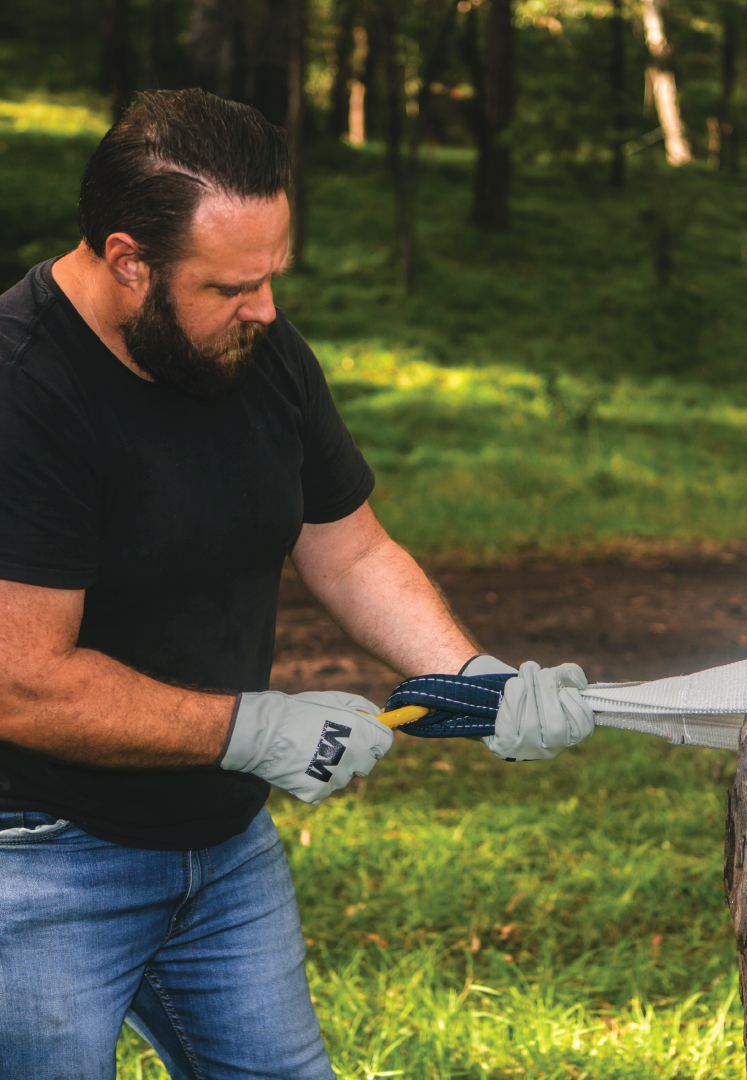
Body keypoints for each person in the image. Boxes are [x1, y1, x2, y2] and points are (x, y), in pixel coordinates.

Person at [0, 88, 593, 1079]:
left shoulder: (257, 353)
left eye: (272, 276)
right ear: (126, 259)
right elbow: (20, 678)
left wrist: (473, 678)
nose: (265, 310)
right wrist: (257, 730)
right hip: (41, 854)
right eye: (233, 286)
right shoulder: (23, 393)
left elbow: (347, 549)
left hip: (221, 845)